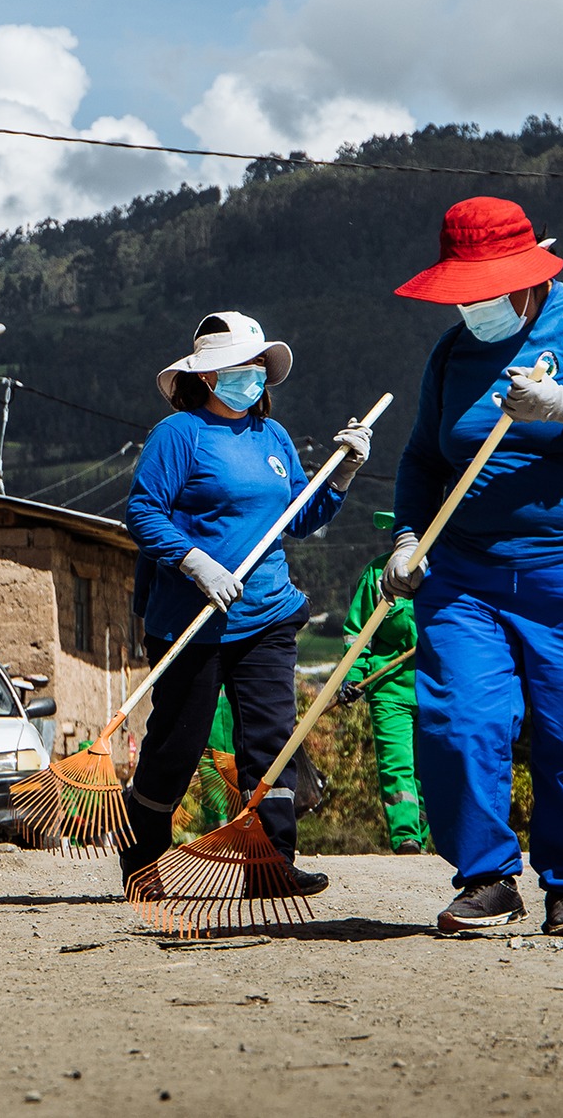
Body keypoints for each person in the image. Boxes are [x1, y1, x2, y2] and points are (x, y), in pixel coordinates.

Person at [386, 197, 563, 938]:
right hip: (469, 576)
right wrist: (406, 537)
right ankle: (485, 875)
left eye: (487, 286)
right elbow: (422, 457)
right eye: (464, 290)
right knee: (458, 723)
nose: (475, 304)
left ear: (527, 274)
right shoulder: (451, 354)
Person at [121, 310, 373, 894]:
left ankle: (270, 862)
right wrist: (195, 562)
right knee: (178, 743)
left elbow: (299, 516)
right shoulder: (178, 435)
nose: (254, 375)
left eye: (259, 366)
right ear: (207, 376)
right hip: (194, 620)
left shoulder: (273, 438)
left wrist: (342, 475)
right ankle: (144, 858)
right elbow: (143, 512)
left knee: (271, 742)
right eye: (242, 366)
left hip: (266, 614)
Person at [336, 511, 425, 854]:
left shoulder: (448, 576)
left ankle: (428, 834)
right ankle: (406, 838)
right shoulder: (377, 574)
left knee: (433, 769)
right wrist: (353, 677)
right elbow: (356, 634)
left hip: (439, 689)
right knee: (396, 762)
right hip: (389, 687)